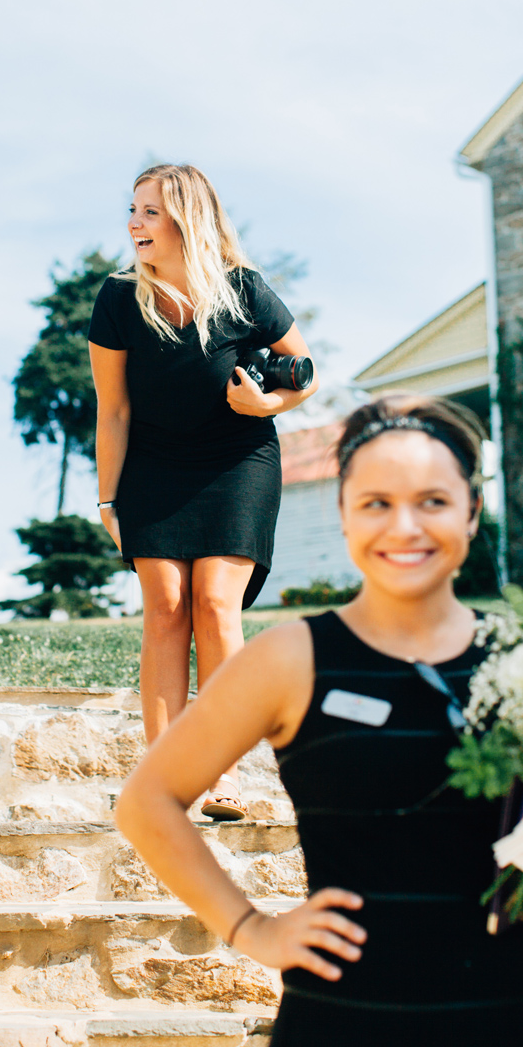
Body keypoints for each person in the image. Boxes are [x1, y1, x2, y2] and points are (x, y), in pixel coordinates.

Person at [115, 392, 523, 1047]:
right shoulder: (291, 658)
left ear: (472, 511)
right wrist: (253, 929)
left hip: (516, 1026)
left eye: (433, 502)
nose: (404, 525)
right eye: (376, 503)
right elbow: (146, 803)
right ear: (345, 515)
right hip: (348, 1036)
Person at [88, 163, 318, 821]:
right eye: (132, 209)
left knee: (216, 603)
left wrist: (264, 402)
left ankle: (221, 771)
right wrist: (108, 501)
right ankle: (168, 777)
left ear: (187, 217)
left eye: (150, 211)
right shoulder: (117, 298)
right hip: (154, 464)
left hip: (237, 456)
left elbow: (308, 375)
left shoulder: (243, 289)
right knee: (165, 606)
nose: (134, 222)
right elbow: (114, 411)